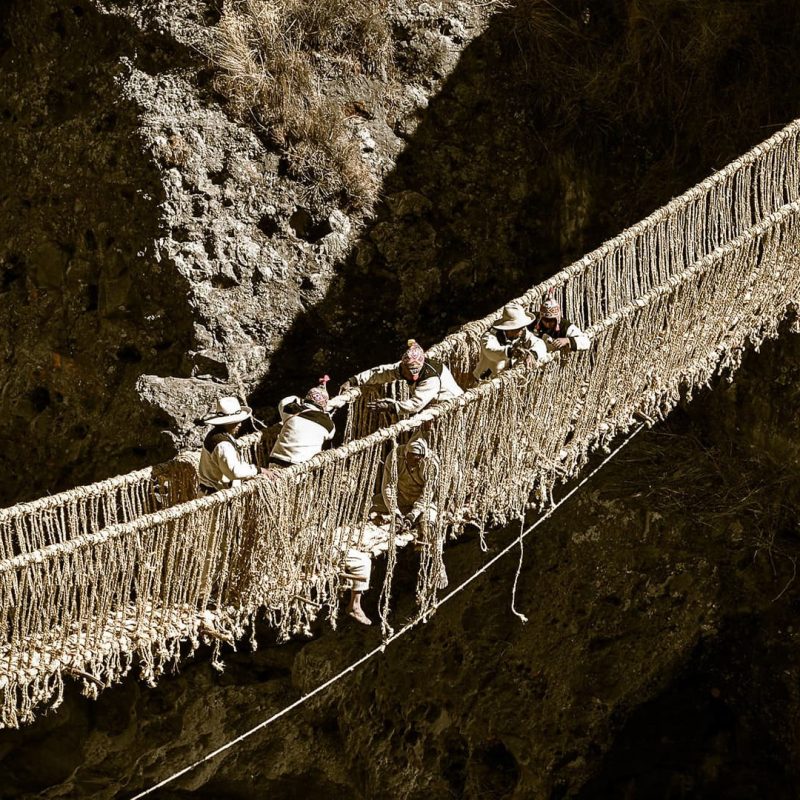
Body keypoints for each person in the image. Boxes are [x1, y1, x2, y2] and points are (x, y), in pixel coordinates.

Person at [342, 339, 463, 416]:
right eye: (408, 373)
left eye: (413, 374)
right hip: (430, 404)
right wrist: (353, 381)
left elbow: (416, 404)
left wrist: (390, 407)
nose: (410, 376)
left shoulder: (431, 379)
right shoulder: (403, 367)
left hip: (450, 406)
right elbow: (380, 373)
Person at [268, 375, 348, 467]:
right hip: (300, 467)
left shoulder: (290, 410)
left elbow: (286, 400)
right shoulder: (329, 425)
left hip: (276, 462)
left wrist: (302, 400)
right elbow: (330, 436)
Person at [198, 396, 267, 493]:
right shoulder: (223, 444)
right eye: (236, 422)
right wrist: (258, 470)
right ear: (226, 423)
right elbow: (234, 472)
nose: (240, 424)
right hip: (215, 496)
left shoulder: (216, 435)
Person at [373, 437, 440, 534]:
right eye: (409, 461)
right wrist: (395, 512)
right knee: (370, 505)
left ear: (423, 458)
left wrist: (413, 515)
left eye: (416, 462)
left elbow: (427, 493)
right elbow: (388, 486)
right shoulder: (395, 457)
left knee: (428, 522)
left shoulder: (432, 464)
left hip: (423, 502)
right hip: (401, 498)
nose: (411, 466)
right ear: (405, 455)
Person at [473, 302, 545, 380]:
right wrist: (511, 351)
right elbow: (490, 350)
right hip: (485, 381)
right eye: (519, 328)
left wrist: (533, 354)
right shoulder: (490, 335)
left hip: (506, 380)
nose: (523, 329)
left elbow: (539, 343)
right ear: (510, 329)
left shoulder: (522, 332)